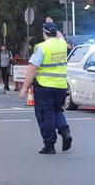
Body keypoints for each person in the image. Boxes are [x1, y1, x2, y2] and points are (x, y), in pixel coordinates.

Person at [20, 17, 72, 154]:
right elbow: (59, 35)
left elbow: (32, 68)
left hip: (44, 87)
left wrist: (24, 88)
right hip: (61, 86)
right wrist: (52, 24)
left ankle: (49, 145)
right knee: (57, 111)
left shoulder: (42, 47)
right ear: (55, 33)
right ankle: (65, 132)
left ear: (44, 33)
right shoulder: (62, 43)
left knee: (46, 115)